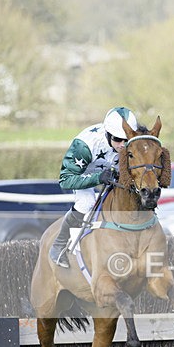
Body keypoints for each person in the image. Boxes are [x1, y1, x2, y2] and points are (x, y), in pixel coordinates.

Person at [49, 106, 138, 268]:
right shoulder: (84, 146)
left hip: (111, 170)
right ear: (108, 134)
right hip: (84, 172)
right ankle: (58, 245)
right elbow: (66, 180)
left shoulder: (131, 141)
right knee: (87, 203)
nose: (123, 145)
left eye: (127, 141)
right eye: (118, 139)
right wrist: (97, 178)